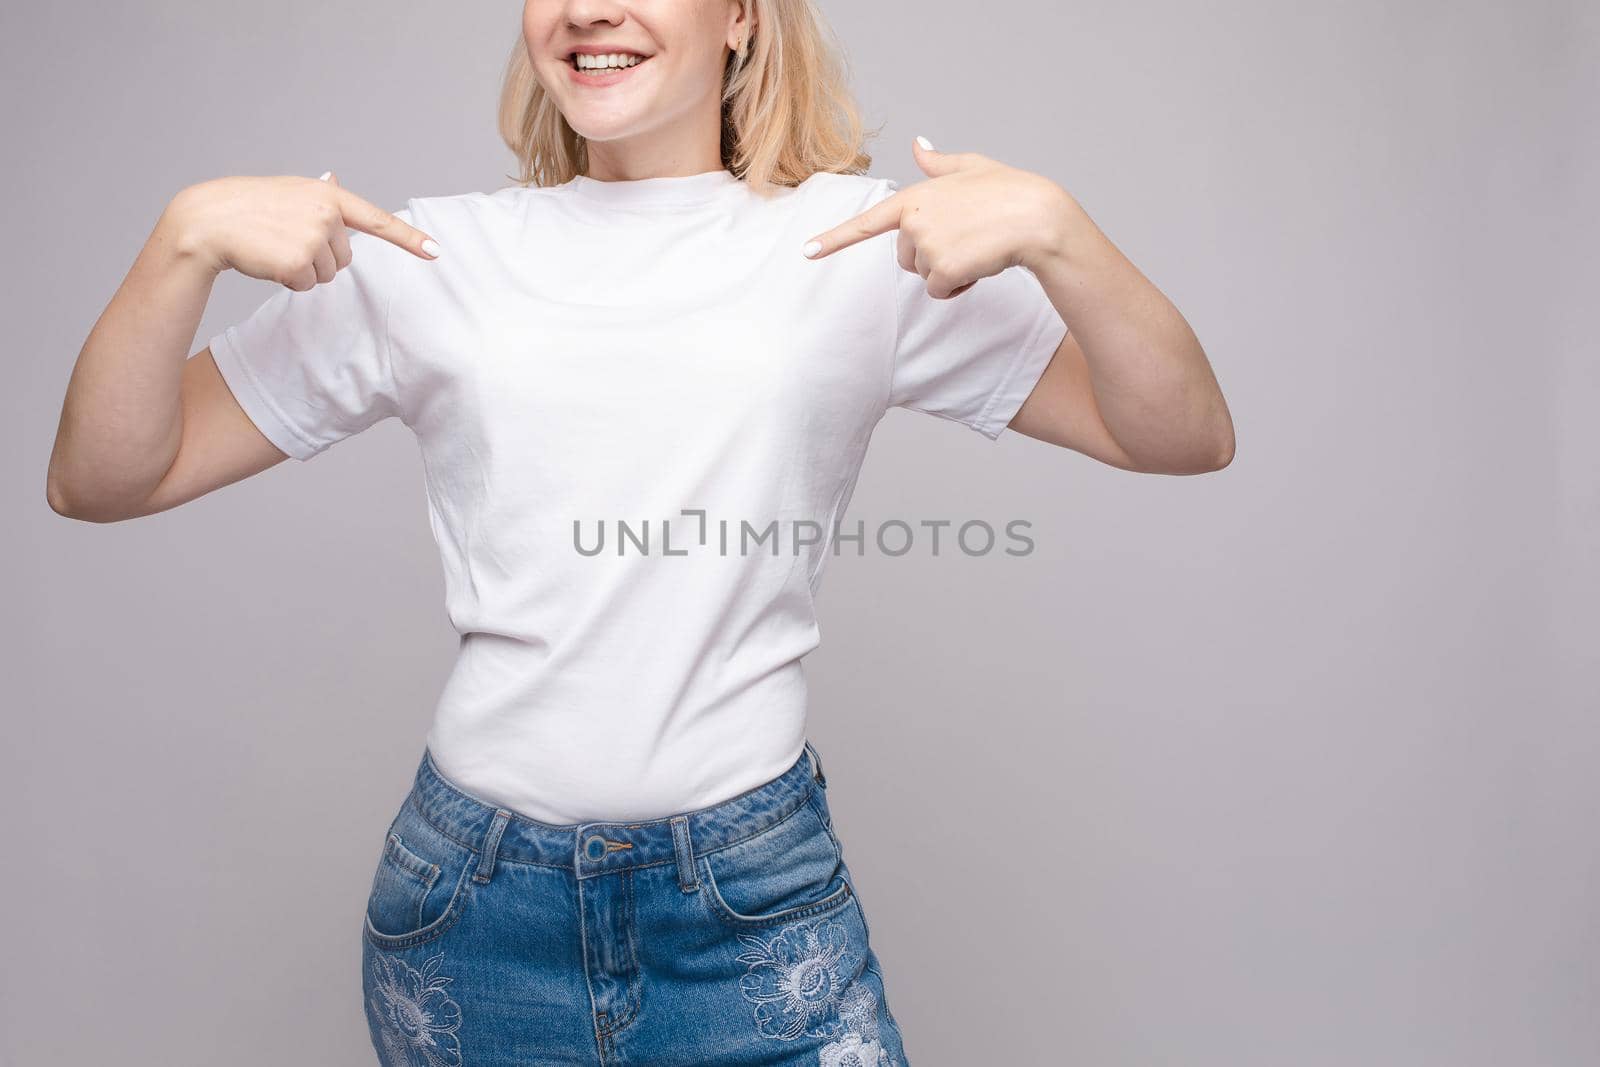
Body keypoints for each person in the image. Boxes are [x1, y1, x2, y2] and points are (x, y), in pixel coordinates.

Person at [46, 0, 1233, 1062]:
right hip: (470, 911)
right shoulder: (427, 258)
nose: (587, 9)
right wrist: (182, 244)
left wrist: (1063, 234)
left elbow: (1178, 431)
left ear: (744, 16)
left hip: (749, 902)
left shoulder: (863, 246)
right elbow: (103, 476)